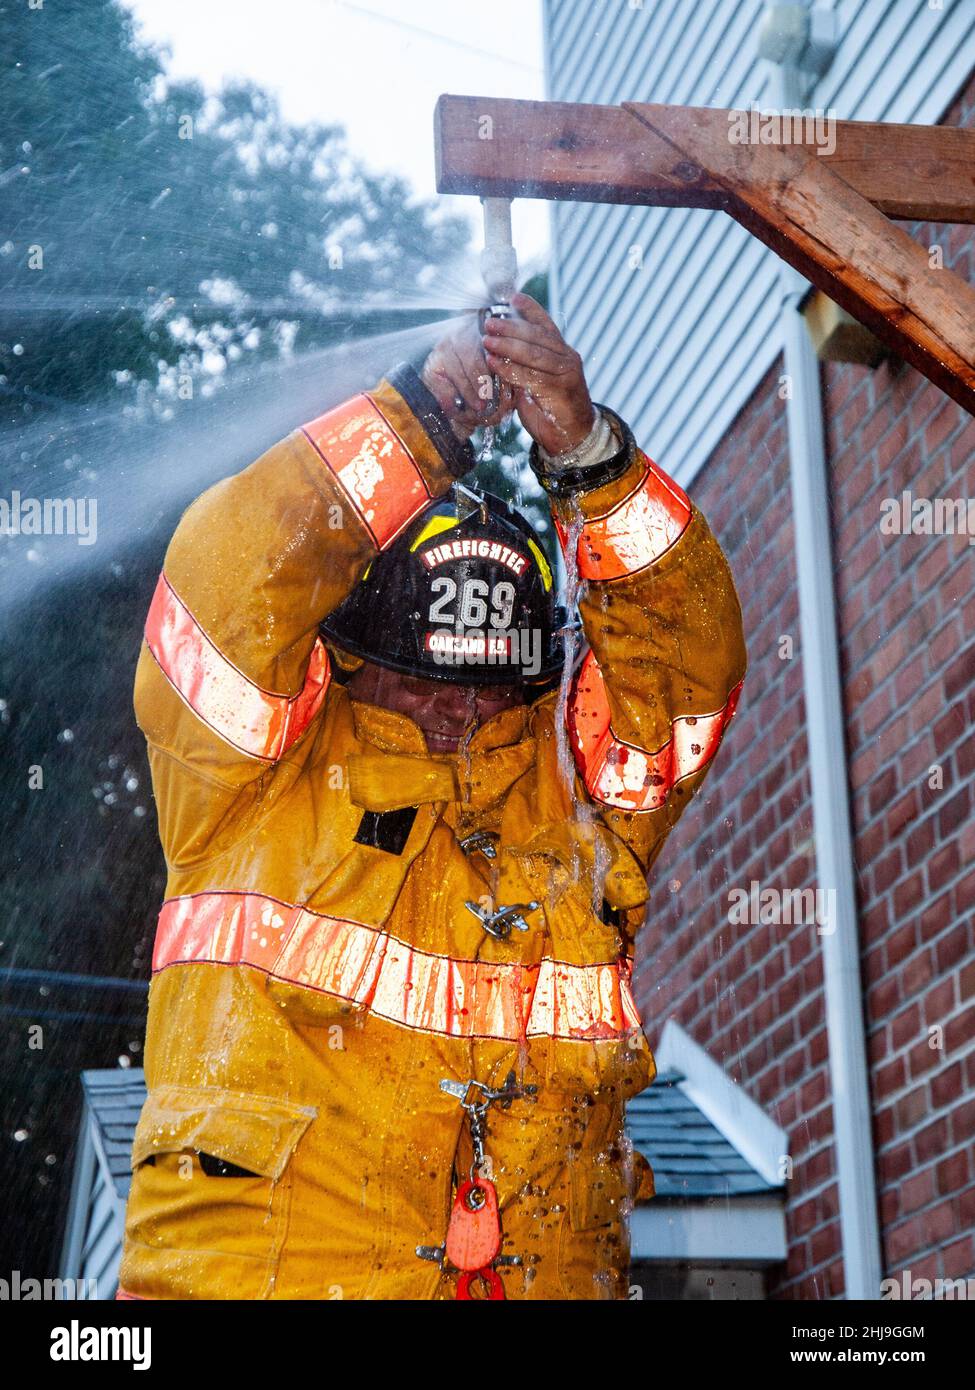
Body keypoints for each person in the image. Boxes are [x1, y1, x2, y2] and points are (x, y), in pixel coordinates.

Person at [118, 293, 746, 1301]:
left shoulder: (582, 801)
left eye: (491, 692)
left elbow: (688, 675)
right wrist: (437, 405)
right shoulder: (250, 777)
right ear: (348, 661)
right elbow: (231, 578)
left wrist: (589, 458)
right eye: (421, 682)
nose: (455, 717)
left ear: (536, 683)